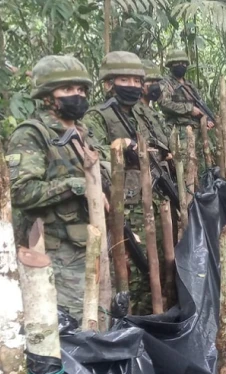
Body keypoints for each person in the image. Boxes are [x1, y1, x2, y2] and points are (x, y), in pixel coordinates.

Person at [5, 55, 103, 320]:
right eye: (67, 90)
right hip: (57, 254)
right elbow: (20, 192)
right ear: (48, 96)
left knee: (101, 322)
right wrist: (76, 186)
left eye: (81, 90)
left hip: (92, 247)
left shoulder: (85, 132)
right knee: (70, 331)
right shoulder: (32, 134)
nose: (77, 96)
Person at [83, 51, 169, 315]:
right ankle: (135, 324)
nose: (132, 86)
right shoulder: (97, 116)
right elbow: (91, 154)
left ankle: (156, 318)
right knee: (134, 269)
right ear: (109, 83)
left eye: (135, 81)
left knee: (160, 266)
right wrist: (119, 147)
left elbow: (160, 145)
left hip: (153, 198)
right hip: (125, 204)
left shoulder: (142, 115)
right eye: (124, 80)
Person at [158, 48, 213, 168]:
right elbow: (165, 104)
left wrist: (207, 119)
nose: (181, 66)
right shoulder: (165, 83)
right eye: (177, 63)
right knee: (185, 167)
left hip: (197, 131)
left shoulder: (189, 85)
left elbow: (200, 104)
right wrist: (189, 109)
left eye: (183, 63)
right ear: (171, 65)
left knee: (201, 166)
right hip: (179, 132)